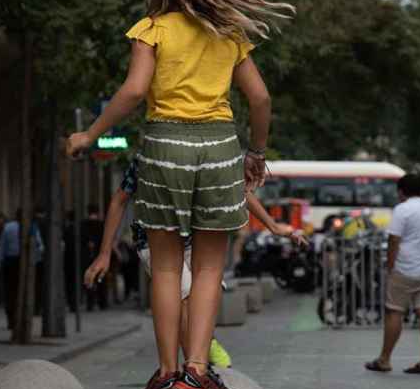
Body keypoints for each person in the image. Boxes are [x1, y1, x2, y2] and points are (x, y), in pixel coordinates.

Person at [67, 0, 293, 389]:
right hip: (218, 147)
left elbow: (133, 92)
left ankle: (167, 374)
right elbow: (261, 99)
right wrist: (255, 153)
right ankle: (197, 372)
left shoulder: (151, 29)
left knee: (167, 268)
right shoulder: (227, 32)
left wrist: (89, 135)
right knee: (209, 267)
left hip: (165, 146)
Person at [84, 158, 307, 369]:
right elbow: (119, 200)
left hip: (196, 239)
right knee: (183, 297)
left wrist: (274, 226)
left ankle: (200, 354)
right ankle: (192, 366)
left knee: (202, 297)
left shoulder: (205, 153)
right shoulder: (149, 156)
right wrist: (105, 253)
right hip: (156, 240)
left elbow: (239, 192)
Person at [366, 174, 420, 375]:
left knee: (394, 312)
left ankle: (384, 359)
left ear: (401, 191)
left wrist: (390, 266)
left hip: (405, 269)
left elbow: (393, 241)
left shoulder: (402, 210)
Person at [82, 205, 107, 310]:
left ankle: (90, 303)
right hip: (99, 254)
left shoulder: (83, 225)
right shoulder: (102, 225)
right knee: (100, 279)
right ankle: (102, 303)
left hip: (87, 256)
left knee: (89, 279)